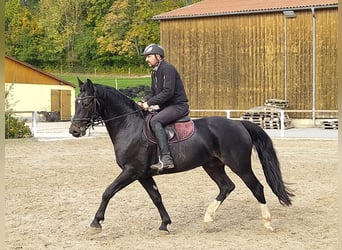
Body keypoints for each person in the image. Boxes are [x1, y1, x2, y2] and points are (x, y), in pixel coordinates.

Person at [138, 43, 189, 170]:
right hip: (166, 107)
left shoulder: (167, 69)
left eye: (148, 56)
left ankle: (167, 158)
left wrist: (148, 104)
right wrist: (143, 100)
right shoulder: (155, 72)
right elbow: (153, 92)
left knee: (156, 120)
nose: (146, 59)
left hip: (178, 106)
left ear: (158, 56)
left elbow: (168, 92)